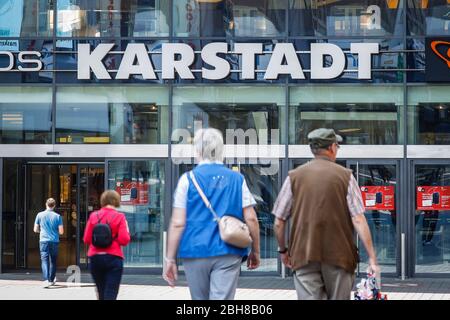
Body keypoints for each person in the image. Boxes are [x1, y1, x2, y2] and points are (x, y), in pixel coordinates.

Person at [272, 128, 380, 300]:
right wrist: (372, 258)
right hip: (340, 256)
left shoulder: (294, 177)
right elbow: (358, 219)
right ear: (331, 147)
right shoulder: (346, 177)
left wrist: (283, 251)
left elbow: (279, 221)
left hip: (303, 254)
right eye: (337, 145)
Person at [163, 128, 261, 300]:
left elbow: (178, 223)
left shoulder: (187, 179)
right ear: (221, 150)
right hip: (229, 249)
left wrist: (169, 259)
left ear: (198, 150)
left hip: (195, 250)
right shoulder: (237, 179)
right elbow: (251, 218)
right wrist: (256, 251)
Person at [83, 190, 131, 300]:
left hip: (95, 257)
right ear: (116, 201)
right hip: (114, 257)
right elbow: (124, 240)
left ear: (102, 201)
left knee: (101, 292)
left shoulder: (93, 216)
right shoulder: (120, 217)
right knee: (111, 292)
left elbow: (86, 238)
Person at [34, 198, 64, 288]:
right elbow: (61, 232)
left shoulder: (39, 215)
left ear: (46, 204)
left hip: (43, 240)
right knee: (53, 261)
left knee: (44, 260)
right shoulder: (57, 216)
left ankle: (46, 279)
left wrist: (42, 231)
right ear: (54, 206)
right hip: (54, 241)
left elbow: (35, 229)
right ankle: (51, 280)